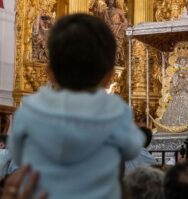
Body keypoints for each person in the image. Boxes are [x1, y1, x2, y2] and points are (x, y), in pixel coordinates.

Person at [9, 14, 144, 199]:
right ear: (109, 76)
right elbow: (133, 148)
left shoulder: (28, 110)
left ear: (49, 72)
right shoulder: (116, 111)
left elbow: (17, 155)